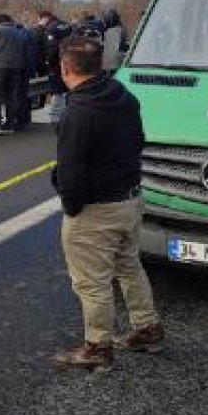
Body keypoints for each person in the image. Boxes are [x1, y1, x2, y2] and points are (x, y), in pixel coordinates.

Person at [51, 36, 163, 372]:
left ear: (64, 68)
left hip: (96, 210)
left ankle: (97, 347)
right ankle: (147, 329)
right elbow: (139, 141)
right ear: (100, 65)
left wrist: (72, 207)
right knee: (128, 266)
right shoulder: (124, 97)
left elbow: (71, 172)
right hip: (130, 199)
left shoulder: (78, 113)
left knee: (91, 281)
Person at [0, 14, 31, 135]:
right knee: (12, 96)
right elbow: (26, 50)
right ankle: (10, 124)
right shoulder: (20, 32)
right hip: (16, 68)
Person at [36, 10, 73, 123]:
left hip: (56, 65)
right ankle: (68, 115)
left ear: (45, 18)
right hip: (70, 62)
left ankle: (56, 118)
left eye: (40, 20)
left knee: (57, 91)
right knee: (68, 90)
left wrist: (49, 62)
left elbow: (52, 48)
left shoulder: (51, 28)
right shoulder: (66, 25)